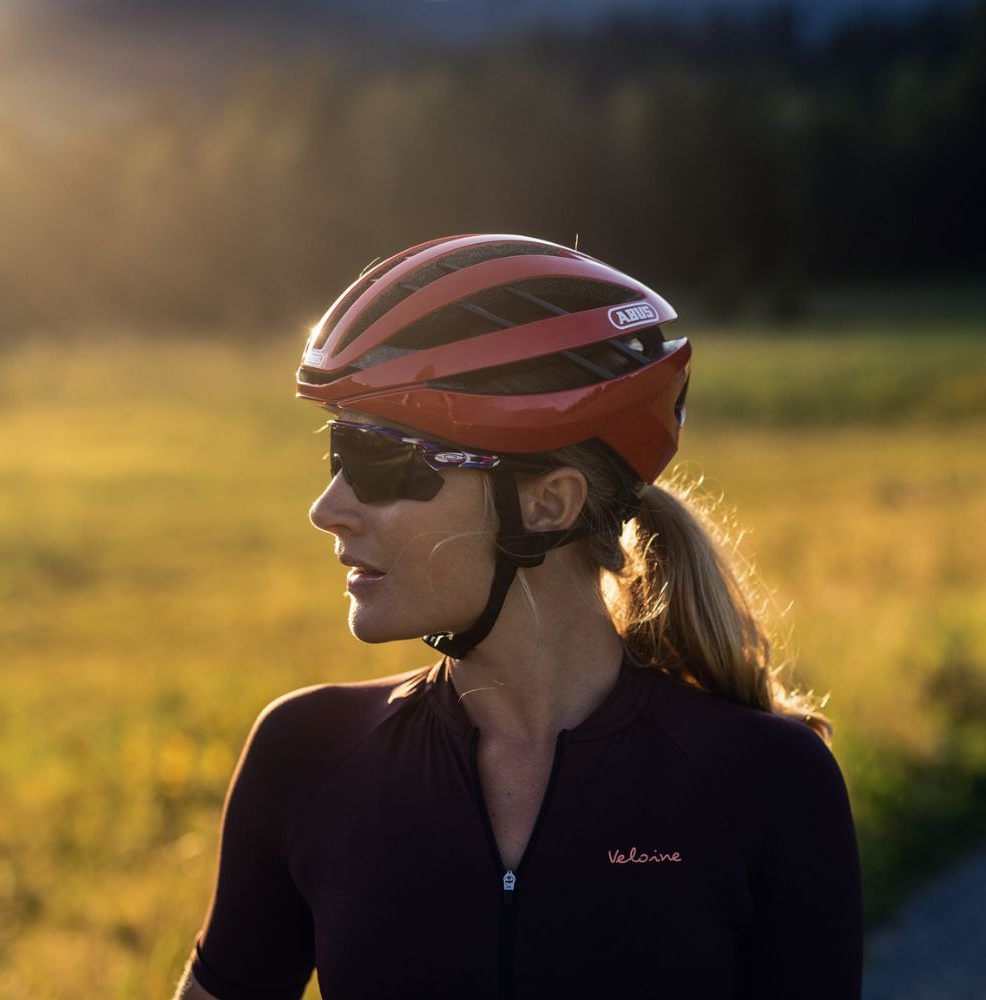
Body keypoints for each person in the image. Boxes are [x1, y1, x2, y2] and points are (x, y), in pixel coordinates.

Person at [174, 234, 863, 1000]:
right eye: (338, 454)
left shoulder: (769, 782)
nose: (327, 509)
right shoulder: (305, 755)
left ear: (548, 504)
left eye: (382, 462)